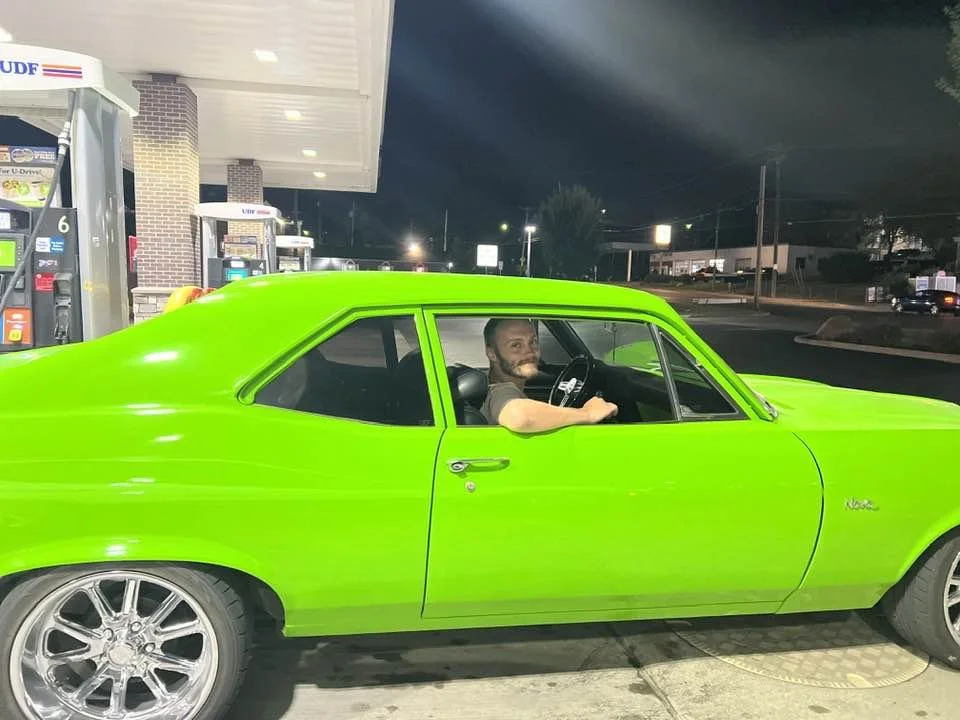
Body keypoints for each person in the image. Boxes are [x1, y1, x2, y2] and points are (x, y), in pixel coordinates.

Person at [479, 318, 618, 432]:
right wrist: (587, 413)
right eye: (516, 345)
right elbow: (519, 417)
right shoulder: (500, 391)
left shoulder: (504, 389)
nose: (529, 352)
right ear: (491, 353)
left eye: (533, 342)